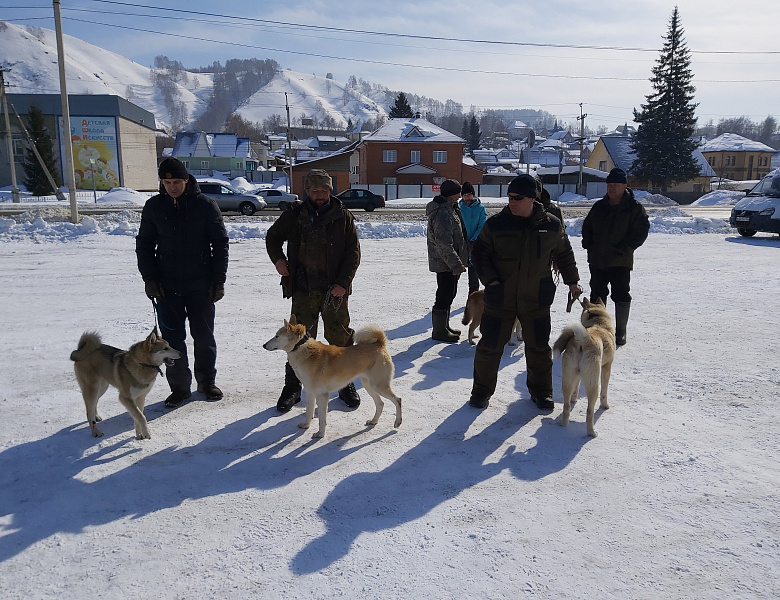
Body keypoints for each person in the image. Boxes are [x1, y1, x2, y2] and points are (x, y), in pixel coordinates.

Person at [469, 174, 582, 411]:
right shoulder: (496, 224)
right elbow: (479, 254)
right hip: (501, 299)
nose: (512, 202)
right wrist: (490, 281)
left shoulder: (551, 225)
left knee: (539, 348)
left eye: (518, 198)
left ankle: (542, 393)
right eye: (510, 197)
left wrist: (572, 281)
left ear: (533, 198)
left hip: (536, 298)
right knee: (489, 347)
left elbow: (564, 254)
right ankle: (481, 392)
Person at [136, 157, 229, 408]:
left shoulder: (205, 206)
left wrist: (218, 281)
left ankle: (206, 382)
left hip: (201, 285)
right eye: (167, 182)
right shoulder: (154, 207)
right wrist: (150, 279)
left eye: (177, 181)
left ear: (187, 180)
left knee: (204, 337)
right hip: (167, 288)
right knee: (172, 342)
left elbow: (220, 245)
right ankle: (179, 388)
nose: (172, 187)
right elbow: (144, 244)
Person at [266, 169, 362, 412]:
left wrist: (343, 282)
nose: (320, 195)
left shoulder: (343, 216)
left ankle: (345, 384)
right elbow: (273, 237)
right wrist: (278, 260)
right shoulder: (295, 215)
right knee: (297, 340)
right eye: (315, 190)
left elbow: (353, 253)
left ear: (331, 191)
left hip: (335, 292)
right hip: (303, 288)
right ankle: (292, 388)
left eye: (325, 190)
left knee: (340, 337)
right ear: (307, 191)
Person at [581, 167, 649, 346]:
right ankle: (596, 329)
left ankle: (620, 332)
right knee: (597, 295)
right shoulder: (599, 206)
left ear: (625, 186)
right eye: (609, 185)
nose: (611, 188)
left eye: (616, 185)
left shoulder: (634, 208)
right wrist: (588, 243)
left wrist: (626, 247)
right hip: (597, 259)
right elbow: (587, 226)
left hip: (620, 260)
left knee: (621, 295)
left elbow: (641, 232)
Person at [426, 178, 469, 343]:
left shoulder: (451, 208)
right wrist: (455, 264)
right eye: (458, 192)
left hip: (449, 262)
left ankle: (444, 326)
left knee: (449, 293)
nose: (460, 195)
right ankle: (439, 331)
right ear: (451, 194)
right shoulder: (443, 212)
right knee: (444, 294)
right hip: (445, 263)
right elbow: (444, 243)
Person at [458, 181, 487, 294]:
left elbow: (482, 225)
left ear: (473, 195)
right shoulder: (459, 208)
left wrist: (474, 239)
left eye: (469, 194)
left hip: (474, 245)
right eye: (464, 195)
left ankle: (473, 297)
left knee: (473, 276)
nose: (467, 197)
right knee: (455, 273)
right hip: (461, 244)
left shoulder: (480, 209)